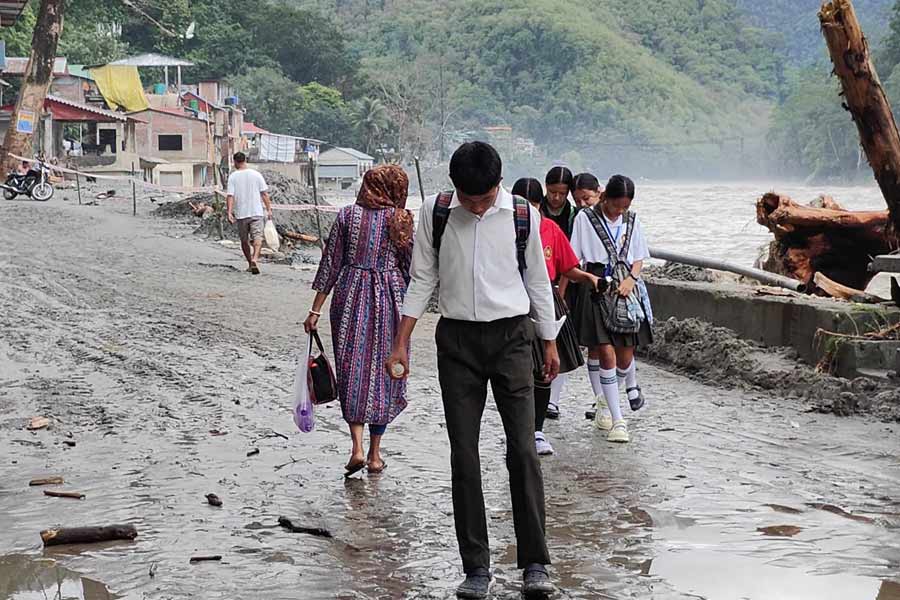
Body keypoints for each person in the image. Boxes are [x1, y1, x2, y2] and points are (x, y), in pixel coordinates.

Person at [387, 142, 559, 599]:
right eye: (469, 199)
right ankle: (476, 569)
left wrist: (549, 340)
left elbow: (537, 279)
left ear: (498, 186)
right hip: (458, 341)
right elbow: (422, 278)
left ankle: (535, 563)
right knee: (464, 454)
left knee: (522, 449)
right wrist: (401, 339)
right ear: (455, 187)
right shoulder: (436, 211)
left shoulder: (523, 215)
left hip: (513, 340)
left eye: (483, 200)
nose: (476, 207)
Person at [304, 164, 414, 476]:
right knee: (386, 372)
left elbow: (330, 264)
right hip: (391, 301)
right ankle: (376, 455)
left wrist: (315, 310)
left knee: (352, 369)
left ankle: (356, 447)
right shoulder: (400, 219)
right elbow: (413, 268)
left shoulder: (345, 216)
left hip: (349, 296)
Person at [512, 177, 599, 457]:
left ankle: (537, 430)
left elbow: (567, 266)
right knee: (515, 370)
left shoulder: (549, 228)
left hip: (545, 300)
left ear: (540, 206)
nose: (526, 211)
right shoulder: (500, 228)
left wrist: (588, 278)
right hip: (511, 301)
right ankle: (519, 429)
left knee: (544, 370)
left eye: (533, 205)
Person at [569, 175, 652, 444]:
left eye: (624, 207)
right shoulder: (585, 218)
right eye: (616, 206)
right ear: (605, 198)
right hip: (596, 286)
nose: (619, 212)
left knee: (625, 357)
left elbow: (638, 257)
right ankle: (618, 420)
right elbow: (575, 256)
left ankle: (604, 401)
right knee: (605, 352)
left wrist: (631, 279)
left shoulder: (633, 220)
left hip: (626, 288)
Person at [568, 172, 604, 420]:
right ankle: (600, 399)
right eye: (578, 200)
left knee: (620, 347)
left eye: (587, 198)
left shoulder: (621, 215)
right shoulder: (581, 218)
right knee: (594, 346)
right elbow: (574, 255)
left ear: (599, 192)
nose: (582, 204)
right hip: (589, 281)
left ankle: (615, 395)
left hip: (616, 282)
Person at [226, 152, 271, 274]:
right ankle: (255, 259)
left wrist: (229, 212)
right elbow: (264, 194)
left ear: (235, 161)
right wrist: (269, 209)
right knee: (257, 237)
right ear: (245, 160)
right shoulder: (256, 174)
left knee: (244, 240)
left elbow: (230, 196)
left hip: (241, 214)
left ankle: (250, 262)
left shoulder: (233, 177)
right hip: (257, 212)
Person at [540, 166, 576, 238]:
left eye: (562, 193)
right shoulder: (537, 210)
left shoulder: (574, 214)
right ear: (546, 186)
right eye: (552, 192)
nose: (556, 198)